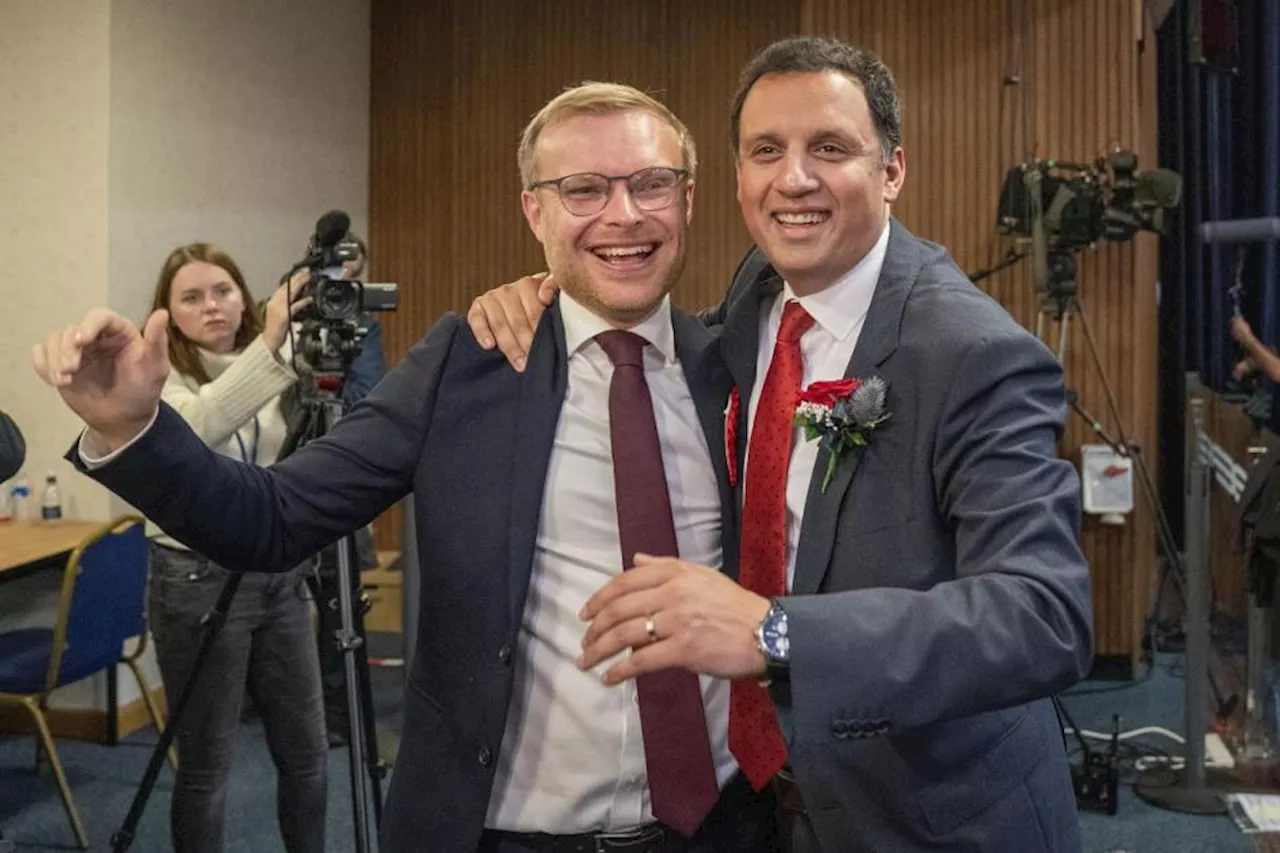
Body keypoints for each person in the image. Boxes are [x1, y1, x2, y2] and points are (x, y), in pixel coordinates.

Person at [32, 83, 778, 853]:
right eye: (582, 189)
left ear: (687, 198)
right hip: (506, 833)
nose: (623, 214)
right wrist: (135, 426)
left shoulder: (736, 368)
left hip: (720, 827)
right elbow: (272, 518)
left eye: (650, 183)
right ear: (536, 212)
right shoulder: (468, 364)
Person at [467, 36, 1093, 852]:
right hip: (769, 811)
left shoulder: (973, 352)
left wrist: (774, 633)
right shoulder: (755, 298)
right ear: (736, 178)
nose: (793, 179)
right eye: (767, 150)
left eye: (829, 148)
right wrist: (541, 296)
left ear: (893, 170)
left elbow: (1043, 616)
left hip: (931, 816)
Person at [134, 244, 325, 853]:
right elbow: (201, 426)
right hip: (195, 577)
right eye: (191, 297)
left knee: (308, 752)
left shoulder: (279, 359)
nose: (211, 306)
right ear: (167, 312)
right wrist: (271, 350)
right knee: (207, 763)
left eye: (222, 290)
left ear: (245, 296)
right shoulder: (160, 375)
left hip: (277, 570)